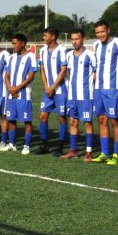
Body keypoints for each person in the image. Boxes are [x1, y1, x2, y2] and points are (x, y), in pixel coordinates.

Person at [91, 20, 118, 165]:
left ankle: (117, 154)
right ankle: (104, 153)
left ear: (108, 30)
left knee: (114, 120)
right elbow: (97, 67)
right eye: (97, 32)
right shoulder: (96, 45)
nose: (100, 35)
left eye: (102, 31)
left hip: (112, 89)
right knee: (102, 120)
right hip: (98, 89)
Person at [60, 29, 97, 160]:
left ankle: (88, 152)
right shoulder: (68, 55)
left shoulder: (90, 55)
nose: (74, 41)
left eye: (77, 39)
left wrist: (91, 87)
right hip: (72, 96)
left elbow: (95, 73)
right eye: (73, 39)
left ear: (83, 39)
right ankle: (73, 150)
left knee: (87, 123)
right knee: (73, 122)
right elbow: (68, 72)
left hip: (86, 96)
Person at [3, 33, 37, 154]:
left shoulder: (31, 57)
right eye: (12, 43)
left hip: (24, 94)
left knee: (26, 120)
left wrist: (16, 88)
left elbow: (31, 76)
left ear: (22, 43)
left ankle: (26, 145)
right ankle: (12, 143)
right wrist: (10, 89)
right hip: (11, 94)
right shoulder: (11, 58)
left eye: (15, 43)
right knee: (11, 119)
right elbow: (6, 75)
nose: (13, 46)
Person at [38, 27, 68, 155]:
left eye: (46, 36)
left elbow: (63, 70)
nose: (44, 38)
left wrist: (53, 87)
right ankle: (44, 145)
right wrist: (46, 87)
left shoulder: (62, 50)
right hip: (48, 90)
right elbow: (42, 69)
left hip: (61, 90)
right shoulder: (43, 50)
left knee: (62, 117)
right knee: (43, 116)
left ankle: (60, 146)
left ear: (53, 37)